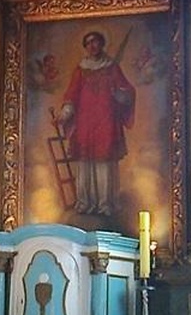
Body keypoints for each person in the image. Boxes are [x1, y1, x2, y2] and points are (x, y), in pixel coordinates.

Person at [58, 30, 135, 217]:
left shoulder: (111, 67)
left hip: (106, 120)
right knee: (85, 163)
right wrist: (65, 114)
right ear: (85, 47)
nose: (92, 46)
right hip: (85, 122)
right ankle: (85, 202)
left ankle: (105, 203)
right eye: (89, 43)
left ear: (102, 44)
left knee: (104, 162)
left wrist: (119, 94)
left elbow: (127, 91)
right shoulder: (81, 69)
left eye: (96, 42)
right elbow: (72, 95)